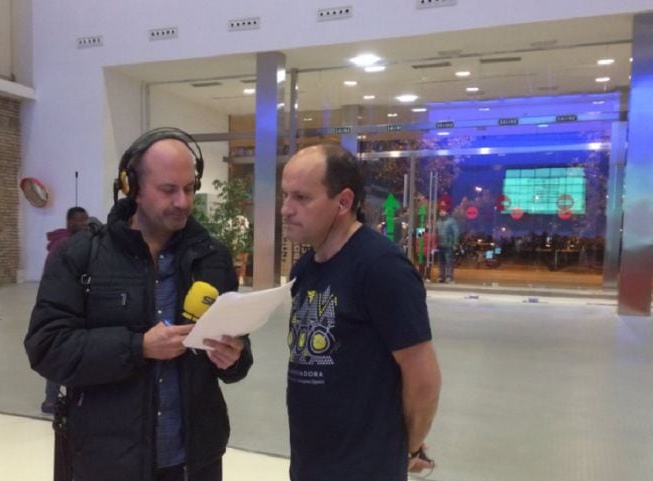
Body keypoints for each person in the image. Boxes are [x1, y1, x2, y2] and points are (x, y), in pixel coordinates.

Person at [24, 127, 253, 481]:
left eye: (190, 188)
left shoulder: (212, 257)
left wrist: (233, 358)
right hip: (108, 462)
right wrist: (139, 346)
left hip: (195, 461)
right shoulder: (81, 256)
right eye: (168, 190)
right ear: (131, 187)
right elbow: (46, 347)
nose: (183, 201)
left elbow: (238, 360)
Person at [281, 143, 441, 481]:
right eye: (285, 196)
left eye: (301, 198)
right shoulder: (305, 268)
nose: (286, 209)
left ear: (343, 202)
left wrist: (406, 449)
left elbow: (423, 375)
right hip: (310, 464)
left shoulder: (382, 268)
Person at [40, 206, 90, 414]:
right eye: (78, 220)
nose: (83, 223)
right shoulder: (62, 246)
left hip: (78, 305)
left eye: (85, 219)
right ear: (69, 222)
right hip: (62, 307)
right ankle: (51, 400)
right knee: (61, 352)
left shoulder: (79, 243)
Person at [435, 206, 460, 283]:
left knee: (449, 261)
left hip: (449, 244)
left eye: (443, 211)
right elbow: (435, 232)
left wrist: (455, 243)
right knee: (441, 261)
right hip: (439, 244)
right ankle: (441, 276)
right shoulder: (438, 221)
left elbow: (456, 233)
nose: (441, 212)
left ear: (447, 212)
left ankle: (449, 276)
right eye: (440, 211)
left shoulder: (451, 221)